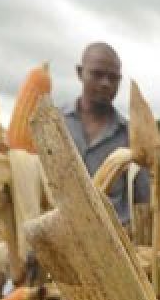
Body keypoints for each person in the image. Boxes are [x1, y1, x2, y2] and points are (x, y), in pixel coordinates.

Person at [63, 42, 151, 228]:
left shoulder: (131, 136)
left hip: (112, 246)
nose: (105, 83)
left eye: (113, 78)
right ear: (80, 72)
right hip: (59, 241)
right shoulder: (54, 124)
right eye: (97, 74)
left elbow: (143, 201)